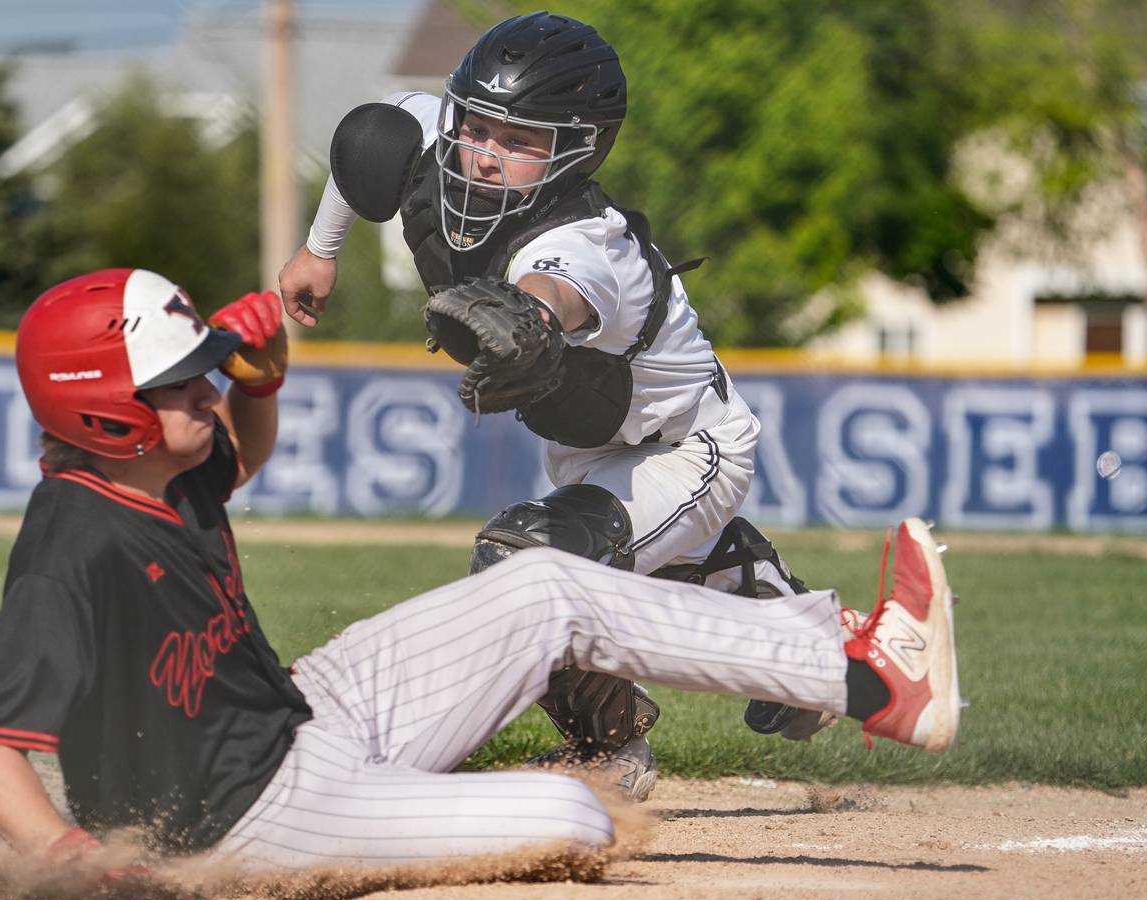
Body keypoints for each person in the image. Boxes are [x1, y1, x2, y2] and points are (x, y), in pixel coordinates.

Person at [0, 266, 961, 877]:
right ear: (103, 412)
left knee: (548, 586)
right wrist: (71, 862)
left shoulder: (158, 470)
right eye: (184, 380)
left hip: (305, 714)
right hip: (251, 822)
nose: (210, 388)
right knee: (572, 816)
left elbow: (243, 452)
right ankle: (400, 809)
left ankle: (864, 675)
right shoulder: (72, 546)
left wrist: (260, 373)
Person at [278, 11, 822, 802]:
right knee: (580, 541)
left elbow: (556, 295)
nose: (487, 155)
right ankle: (764, 597)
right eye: (478, 127)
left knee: (525, 565)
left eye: (521, 141)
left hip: (683, 449)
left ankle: (614, 757)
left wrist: (526, 320)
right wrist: (319, 251)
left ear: (577, 151)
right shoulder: (431, 135)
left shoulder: (587, 242)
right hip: (589, 446)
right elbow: (373, 139)